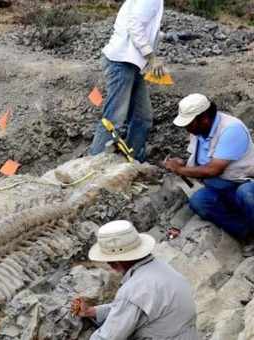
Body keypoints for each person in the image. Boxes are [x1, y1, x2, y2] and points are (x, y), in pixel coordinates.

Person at [72, 220, 198, 340]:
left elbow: (108, 336)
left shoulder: (134, 289)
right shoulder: (159, 267)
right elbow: (132, 308)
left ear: (113, 263)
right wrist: (92, 312)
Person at [164, 93, 254, 239]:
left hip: (245, 183)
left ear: (204, 119)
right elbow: (202, 160)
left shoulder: (231, 129)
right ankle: (247, 234)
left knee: (246, 194)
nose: (186, 128)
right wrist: (184, 163)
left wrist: (180, 169)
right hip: (222, 187)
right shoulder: (199, 130)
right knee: (199, 201)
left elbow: (213, 169)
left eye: (189, 124)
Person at [89, 0, 166, 162]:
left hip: (133, 64)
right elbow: (134, 25)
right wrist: (151, 56)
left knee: (142, 118)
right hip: (121, 62)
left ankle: (131, 163)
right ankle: (92, 165)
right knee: (114, 119)